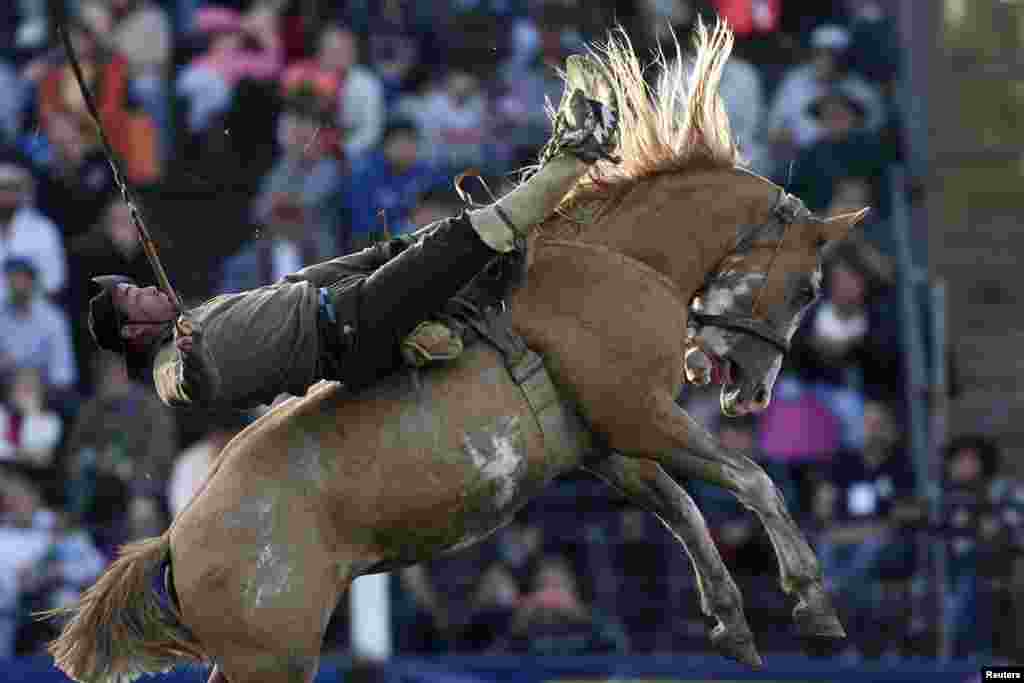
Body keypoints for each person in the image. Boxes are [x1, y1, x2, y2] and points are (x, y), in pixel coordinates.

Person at [86, 60, 619, 410]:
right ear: (134, 334)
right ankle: (578, 152)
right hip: (341, 330)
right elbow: (190, 384)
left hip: (330, 294)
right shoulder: (165, 367)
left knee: (427, 240)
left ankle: (456, 312)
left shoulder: (189, 317)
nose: (150, 289)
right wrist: (190, 357)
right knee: (455, 240)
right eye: (137, 297)